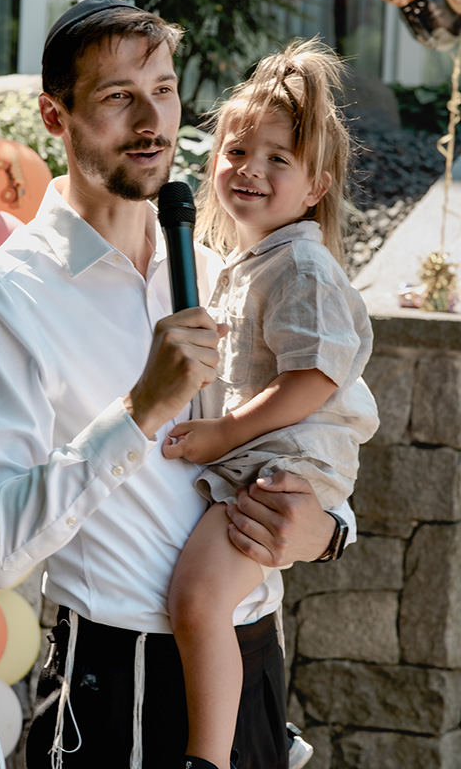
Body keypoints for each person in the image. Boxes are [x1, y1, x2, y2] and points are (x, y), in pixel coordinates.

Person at [0, 0, 358, 769]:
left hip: (253, 664)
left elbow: (306, 415)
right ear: (55, 118)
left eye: (162, 90)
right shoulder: (1, 295)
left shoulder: (222, 261)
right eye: (118, 97)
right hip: (114, 684)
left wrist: (330, 532)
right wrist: (140, 409)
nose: (151, 121)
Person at [161, 38, 379, 769]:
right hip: (265, 458)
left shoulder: (303, 264)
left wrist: (221, 434)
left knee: (197, 599)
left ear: (316, 186)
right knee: (215, 598)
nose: (249, 169)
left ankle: (212, 759)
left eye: (276, 160)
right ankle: (266, 737)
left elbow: (315, 378)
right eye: (236, 150)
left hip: (285, 460)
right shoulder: (248, 260)